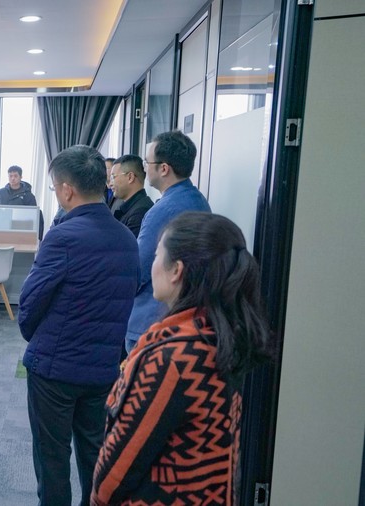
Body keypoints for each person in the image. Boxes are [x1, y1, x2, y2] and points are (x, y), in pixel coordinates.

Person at [91, 213, 272, 505]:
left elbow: (114, 475)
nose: (152, 265)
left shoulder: (170, 358)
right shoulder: (220, 336)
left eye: (156, 256)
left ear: (176, 270)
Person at [19, 145, 139, 506]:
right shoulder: (127, 238)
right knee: (96, 453)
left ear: (67, 190)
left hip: (55, 369)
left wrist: (35, 337)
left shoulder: (62, 237)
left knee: (52, 457)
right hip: (103, 369)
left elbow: (29, 305)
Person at [125, 130, 210, 353]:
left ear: (164, 169)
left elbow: (139, 270)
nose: (144, 168)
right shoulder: (199, 201)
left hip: (151, 321)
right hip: (184, 316)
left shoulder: (162, 211)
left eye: (147, 162)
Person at [109, 154, 153, 237]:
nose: (110, 184)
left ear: (130, 177)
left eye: (113, 177)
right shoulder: (132, 207)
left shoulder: (140, 212)